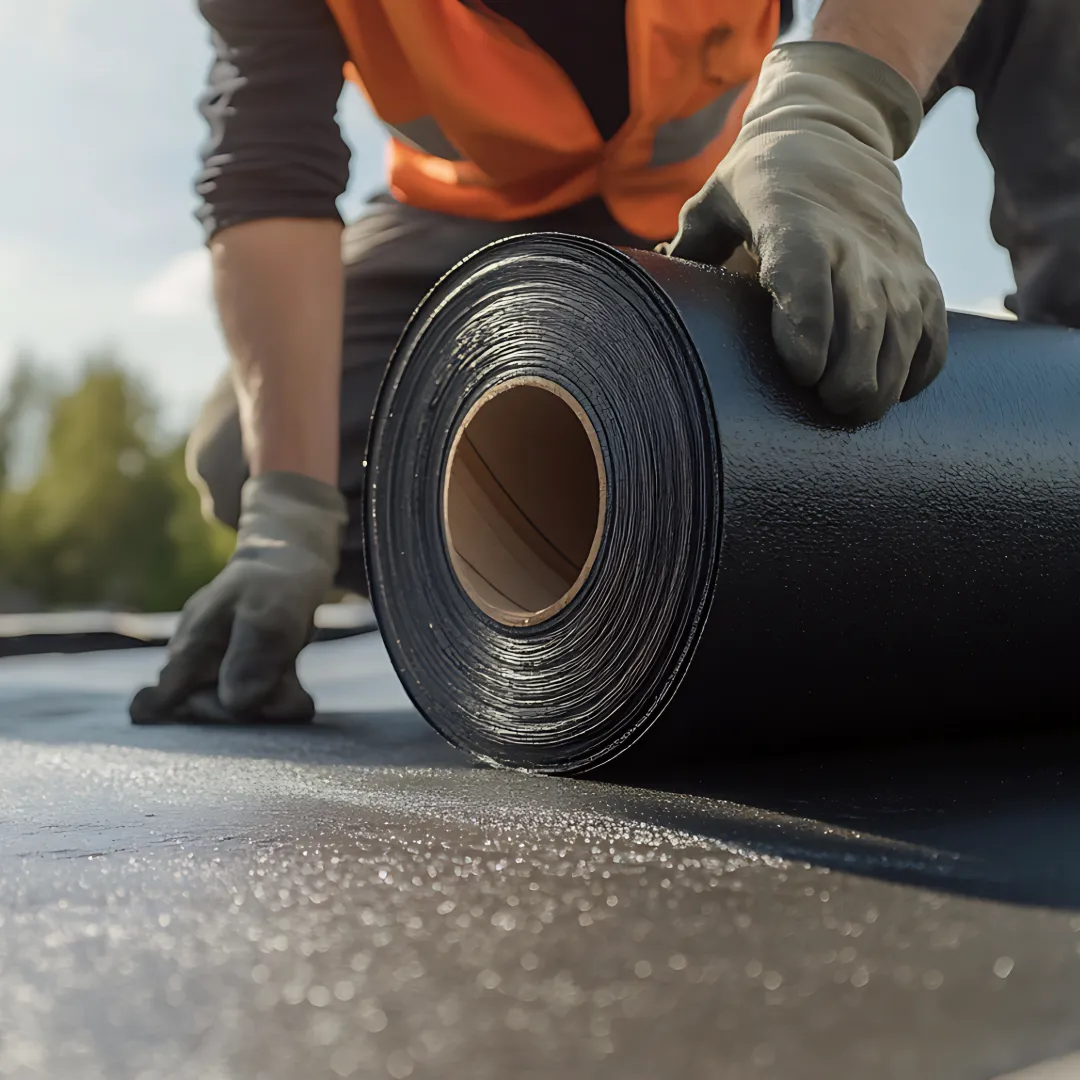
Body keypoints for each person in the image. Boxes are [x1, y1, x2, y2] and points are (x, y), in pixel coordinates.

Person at [130, 0, 1080, 725]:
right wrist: (287, 516)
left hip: (737, 184)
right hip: (478, 228)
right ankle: (627, 566)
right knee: (249, 453)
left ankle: (1054, 466)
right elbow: (266, 158)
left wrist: (837, 110)